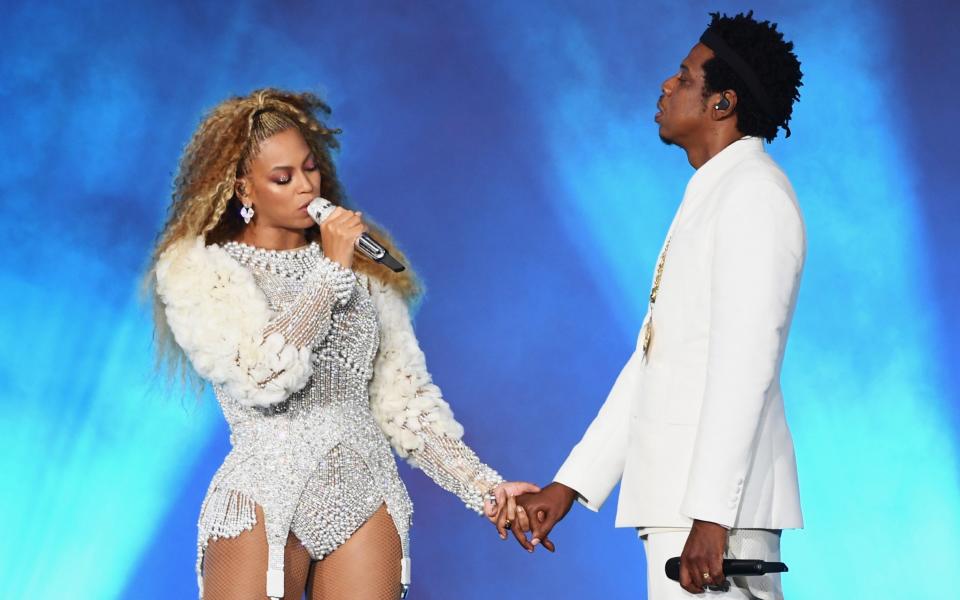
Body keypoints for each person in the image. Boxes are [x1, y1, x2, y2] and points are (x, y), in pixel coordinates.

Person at [147, 88, 537, 600]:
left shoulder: (366, 269)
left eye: (310, 169)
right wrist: (331, 271)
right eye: (282, 178)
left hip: (365, 489)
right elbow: (262, 377)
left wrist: (485, 488)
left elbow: (405, 403)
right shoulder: (199, 268)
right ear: (244, 189)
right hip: (265, 492)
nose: (306, 186)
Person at [511, 11, 805, 599]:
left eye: (684, 76)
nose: (667, 86)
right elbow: (653, 364)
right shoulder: (713, 192)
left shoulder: (753, 196)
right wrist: (567, 487)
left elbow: (747, 365)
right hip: (685, 512)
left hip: (716, 521)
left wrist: (712, 516)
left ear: (722, 104)